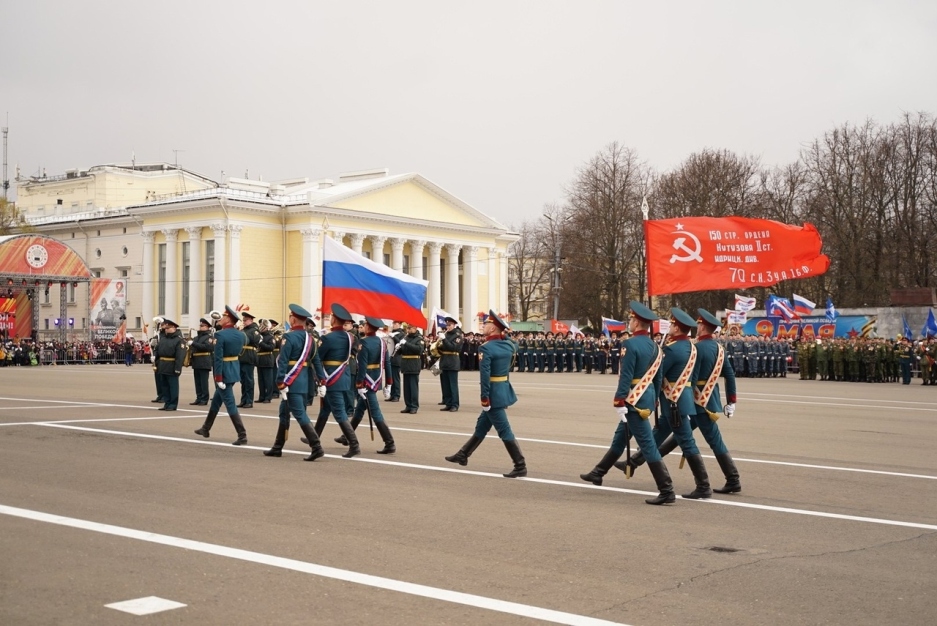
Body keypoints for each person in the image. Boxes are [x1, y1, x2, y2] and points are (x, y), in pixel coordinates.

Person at [615, 308, 741, 494]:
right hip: (704, 399)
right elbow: (729, 375)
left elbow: (688, 377)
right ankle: (634, 462)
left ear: (702, 327)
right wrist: (731, 400)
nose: (697, 327)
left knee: (695, 439)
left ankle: (725, 480)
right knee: (665, 432)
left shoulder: (695, 349)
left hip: (691, 400)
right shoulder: (719, 349)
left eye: (699, 324)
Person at [579, 302, 675, 505]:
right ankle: (599, 472)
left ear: (637, 322)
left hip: (633, 399)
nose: (629, 322)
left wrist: (619, 400)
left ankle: (667, 489)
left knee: (647, 445)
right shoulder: (656, 348)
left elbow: (626, 375)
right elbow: (657, 378)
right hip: (646, 398)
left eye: (631, 319)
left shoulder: (629, 344)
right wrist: (654, 400)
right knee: (620, 438)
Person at [445, 310, 527, 478]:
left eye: (486, 324)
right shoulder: (509, 345)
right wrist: (504, 335)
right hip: (503, 390)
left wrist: (484, 397)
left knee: (504, 430)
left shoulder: (486, 348)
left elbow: (485, 376)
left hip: (492, 395)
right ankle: (463, 454)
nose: (483, 326)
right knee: (482, 426)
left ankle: (520, 465)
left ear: (493, 328)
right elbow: (515, 343)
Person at [263, 304, 326, 461]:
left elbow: (283, 361)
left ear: (293, 319)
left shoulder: (289, 337)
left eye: (290, 317)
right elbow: (316, 361)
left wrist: (280, 382)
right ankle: (277, 447)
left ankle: (316, 447)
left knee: (299, 414)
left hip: (291, 381)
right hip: (303, 381)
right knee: (284, 412)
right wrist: (322, 380)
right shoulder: (310, 339)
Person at [334, 316, 396, 454]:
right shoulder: (382, 342)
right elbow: (387, 363)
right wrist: (389, 382)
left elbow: (362, 365)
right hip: (376, 378)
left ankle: (389, 443)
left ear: (368, 327)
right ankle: (346, 437)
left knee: (375, 413)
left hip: (366, 381)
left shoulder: (364, 342)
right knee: (360, 410)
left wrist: (359, 383)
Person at [309, 303, 361, 458]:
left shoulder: (327, 338)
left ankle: (354, 445)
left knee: (339, 413)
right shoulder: (350, 337)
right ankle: (314, 437)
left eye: (331, 317)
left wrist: (319, 377)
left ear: (334, 320)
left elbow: (318, 357)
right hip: (343, 376)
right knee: (325, 409)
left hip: (332, 378)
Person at [194, 306, 249, 445]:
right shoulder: (241, 334)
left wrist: (218, 377)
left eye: (223, 317)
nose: (221, 318)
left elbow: (218, 358)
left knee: (230, 404)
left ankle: (242, 435)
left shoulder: (220, 335)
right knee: (217, 401)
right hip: (234, 369)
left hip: (223, 372)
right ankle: (205, 428)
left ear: (228, 319)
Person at [155, 319, 186, 411]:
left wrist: (178, 368)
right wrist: (155, 360)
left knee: (173, 386)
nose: (166, 330)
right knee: (164, 386)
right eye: (166, 328)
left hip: (172, 365)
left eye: (168, 328)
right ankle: (167, 403)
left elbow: (180, 356)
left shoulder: (179, 340)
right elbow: (158, 351)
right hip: (162, 365)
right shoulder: (163, 339)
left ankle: (172, 404)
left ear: (174, 328)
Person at [438, 316, 464, 412]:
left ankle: (455, 404)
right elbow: (442, 348)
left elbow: (453, 348)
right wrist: (438, 344)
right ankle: (448, 403)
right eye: (447, 325)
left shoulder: (458, 335)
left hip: (453, 361)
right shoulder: (446, 334)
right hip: (444, 360)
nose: (448, 327)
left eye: (449, 325)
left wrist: (444, 339)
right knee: (445, 385)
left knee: (453, 385)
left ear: (454, 325)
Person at [397, 323, 424, 414]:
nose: (408, 330)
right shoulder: (406, 338)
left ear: (415, 328)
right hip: (405, 364)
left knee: (413, 387)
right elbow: (402, 351)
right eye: (407, 328)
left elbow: (419, 350)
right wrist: (399, 347)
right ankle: (408, 405)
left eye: (410, 328)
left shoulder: (419, 338)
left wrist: (406, 344)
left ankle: (414, 406)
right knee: (407, 388)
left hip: (414, 364)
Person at [237, 311, 261, 408]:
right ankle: (243, 400)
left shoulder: (254, 330)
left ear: (251, 320)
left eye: (245, 320)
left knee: (248, 380)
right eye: (243, 320)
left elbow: (252, 339)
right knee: (243, 380)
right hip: (242, 356)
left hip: (249, 356)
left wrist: (241, 333)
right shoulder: (244, 330)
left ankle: (249, 401)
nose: (243, 322)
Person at [188, 318, 214, 405]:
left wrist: (193, 343)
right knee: (197, 382)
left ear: (208, 327)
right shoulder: (196, 337)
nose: (201, 327)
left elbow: (207, 347)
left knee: (204, 382)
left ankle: (204, 399)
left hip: (204, 361)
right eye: (200, 325)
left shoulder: (210, 337)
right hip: (196, 361)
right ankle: (198, 398)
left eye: (203, 326)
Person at [256, 319, 277, 403]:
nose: (261, 328)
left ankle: (268, 397)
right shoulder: (259, 336)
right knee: (261, 381)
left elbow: (271, 347)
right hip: (260, 360)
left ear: (267, 328)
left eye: (263, 326)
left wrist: (261, 343)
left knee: (268, 380)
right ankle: (262, 396)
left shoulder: (271, 337)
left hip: (267, 359)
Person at [388, 321, 405, 402]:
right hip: (390, 357)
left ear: (400, 325)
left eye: (396, 324)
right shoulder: (392, 333)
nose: (394, 325)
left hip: (397, 357)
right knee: (391, 377)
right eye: (393, 324)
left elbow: (400, 344)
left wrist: (394, 337)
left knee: (395, 378)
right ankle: (392, 394)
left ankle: (396, 395)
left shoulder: (402, 334)